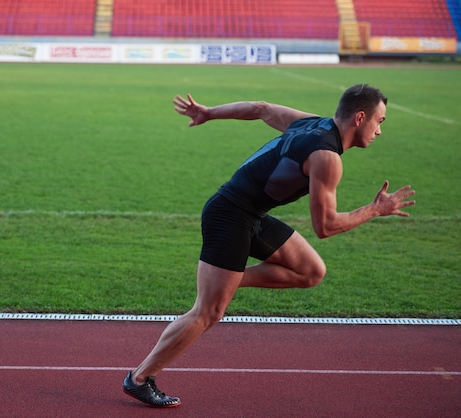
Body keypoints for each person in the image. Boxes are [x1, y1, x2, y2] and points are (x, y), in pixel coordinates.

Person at [122, 84, 416, 408]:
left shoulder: (311, 123)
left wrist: (209, 113)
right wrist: (376, 209)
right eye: (380, 121)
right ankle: (139, 378)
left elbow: (261, 108)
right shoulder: (326, 158)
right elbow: (326, 227)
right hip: (230, 215)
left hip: (252, 215)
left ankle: (228, 279)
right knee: (208, 312)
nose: (380, 131)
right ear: (360, 118)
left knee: (311, 271)